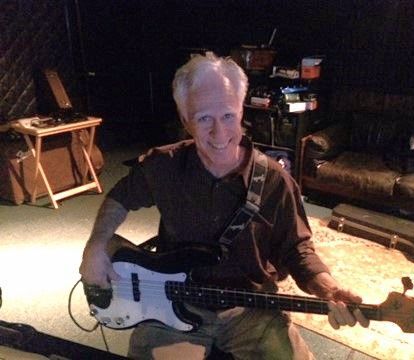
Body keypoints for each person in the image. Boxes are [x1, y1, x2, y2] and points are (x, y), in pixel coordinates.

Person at [80, 53, 369, 360]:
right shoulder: (163, 165)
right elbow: (120, 197)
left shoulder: (274, 180)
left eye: (228, 116)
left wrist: (330, 291)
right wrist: (96, 245)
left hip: (251, 310)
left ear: (241, 111)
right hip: (172, 305)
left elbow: (297, 249)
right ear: (185, 120)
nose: (220, 134)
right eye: (204, 118)